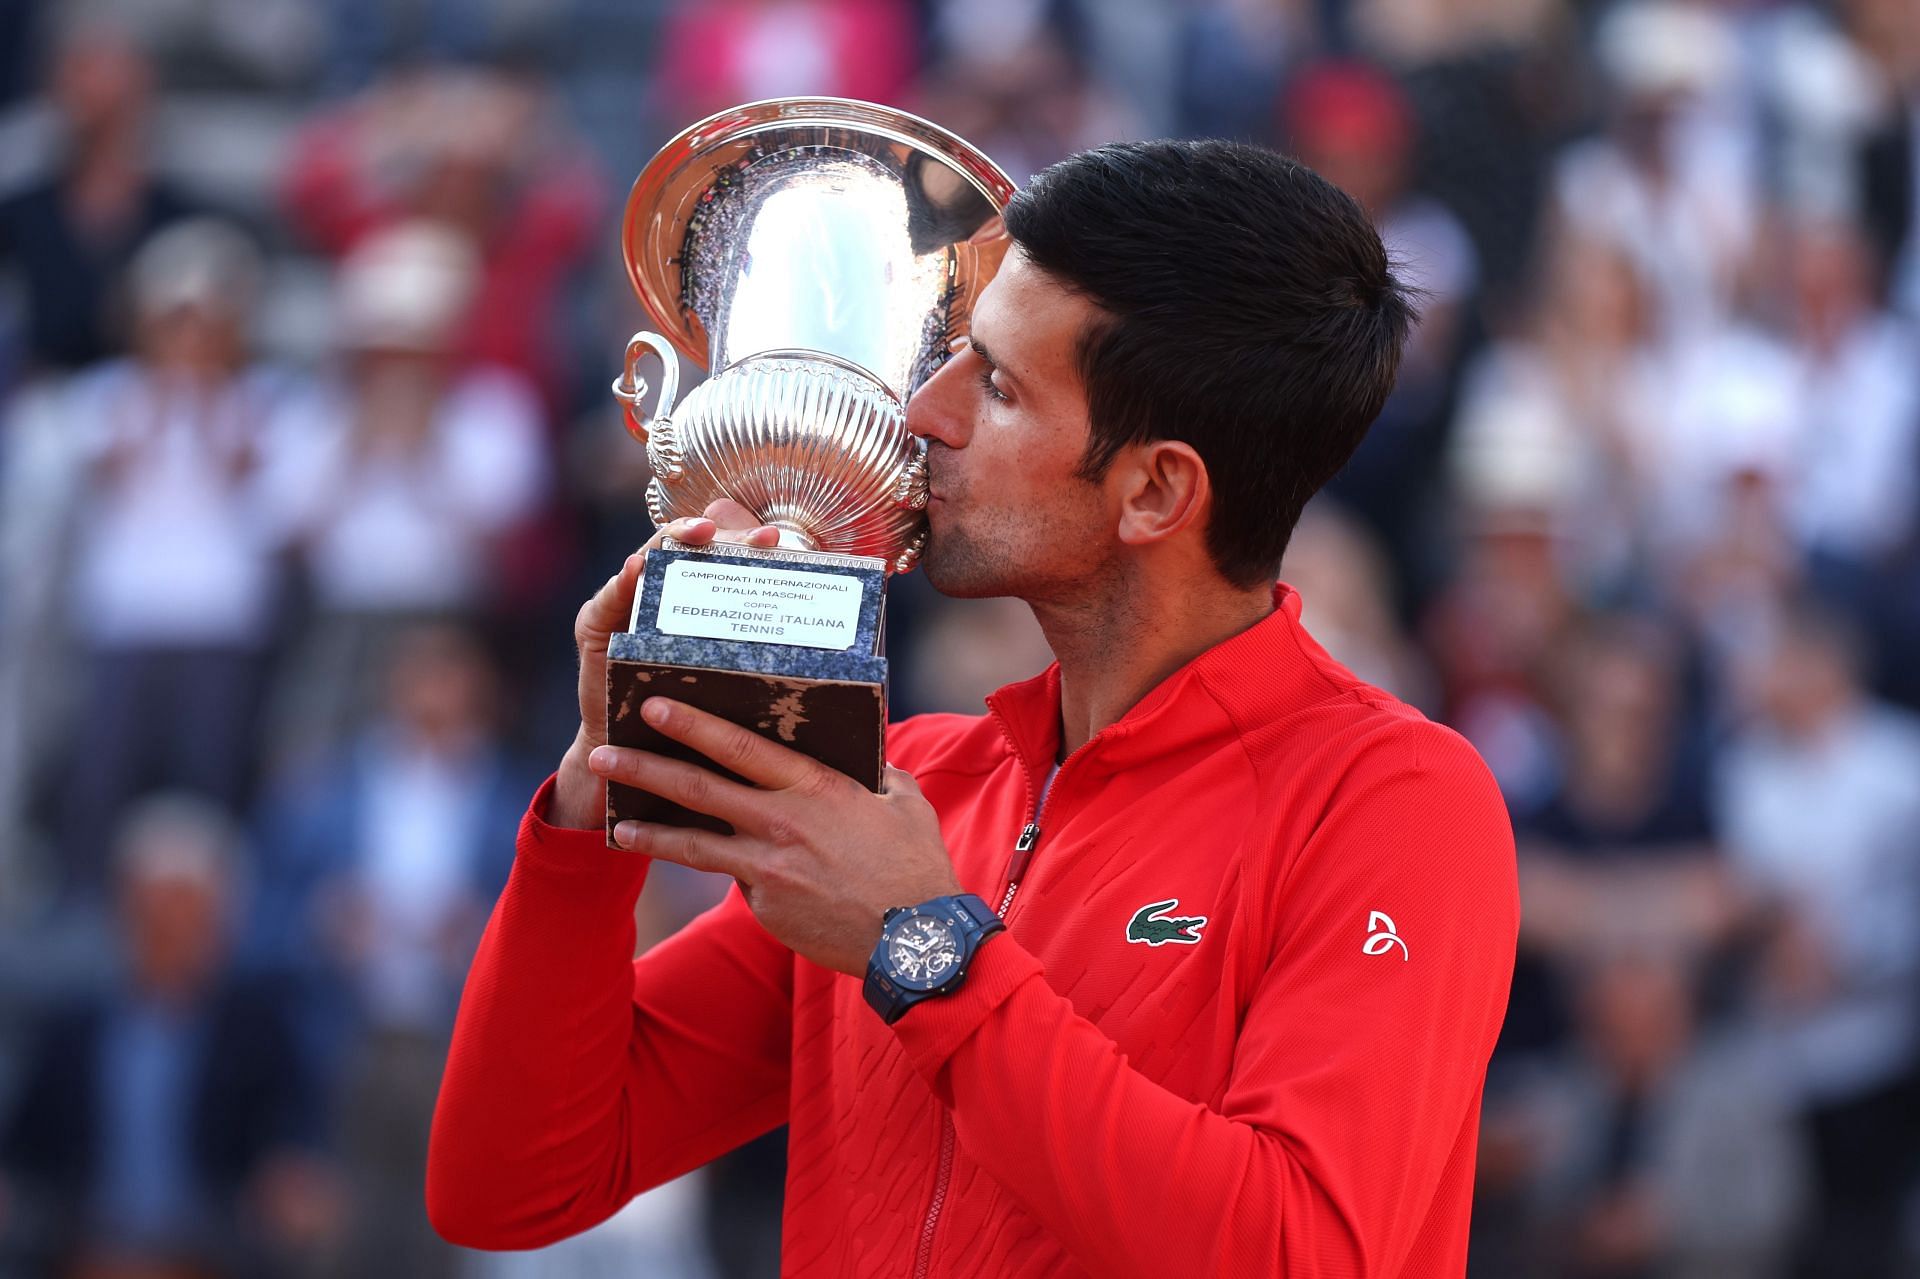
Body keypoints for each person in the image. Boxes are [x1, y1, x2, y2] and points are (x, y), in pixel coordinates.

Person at [429, 140, 1520, 1276]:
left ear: (1156, 489)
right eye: (954, 357)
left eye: (995, 385)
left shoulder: (1396, 802)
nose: (924, 409)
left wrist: (930, 954)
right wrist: (599, 786)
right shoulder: (908, 791)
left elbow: (1300, 1254)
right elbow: (510, 1179)